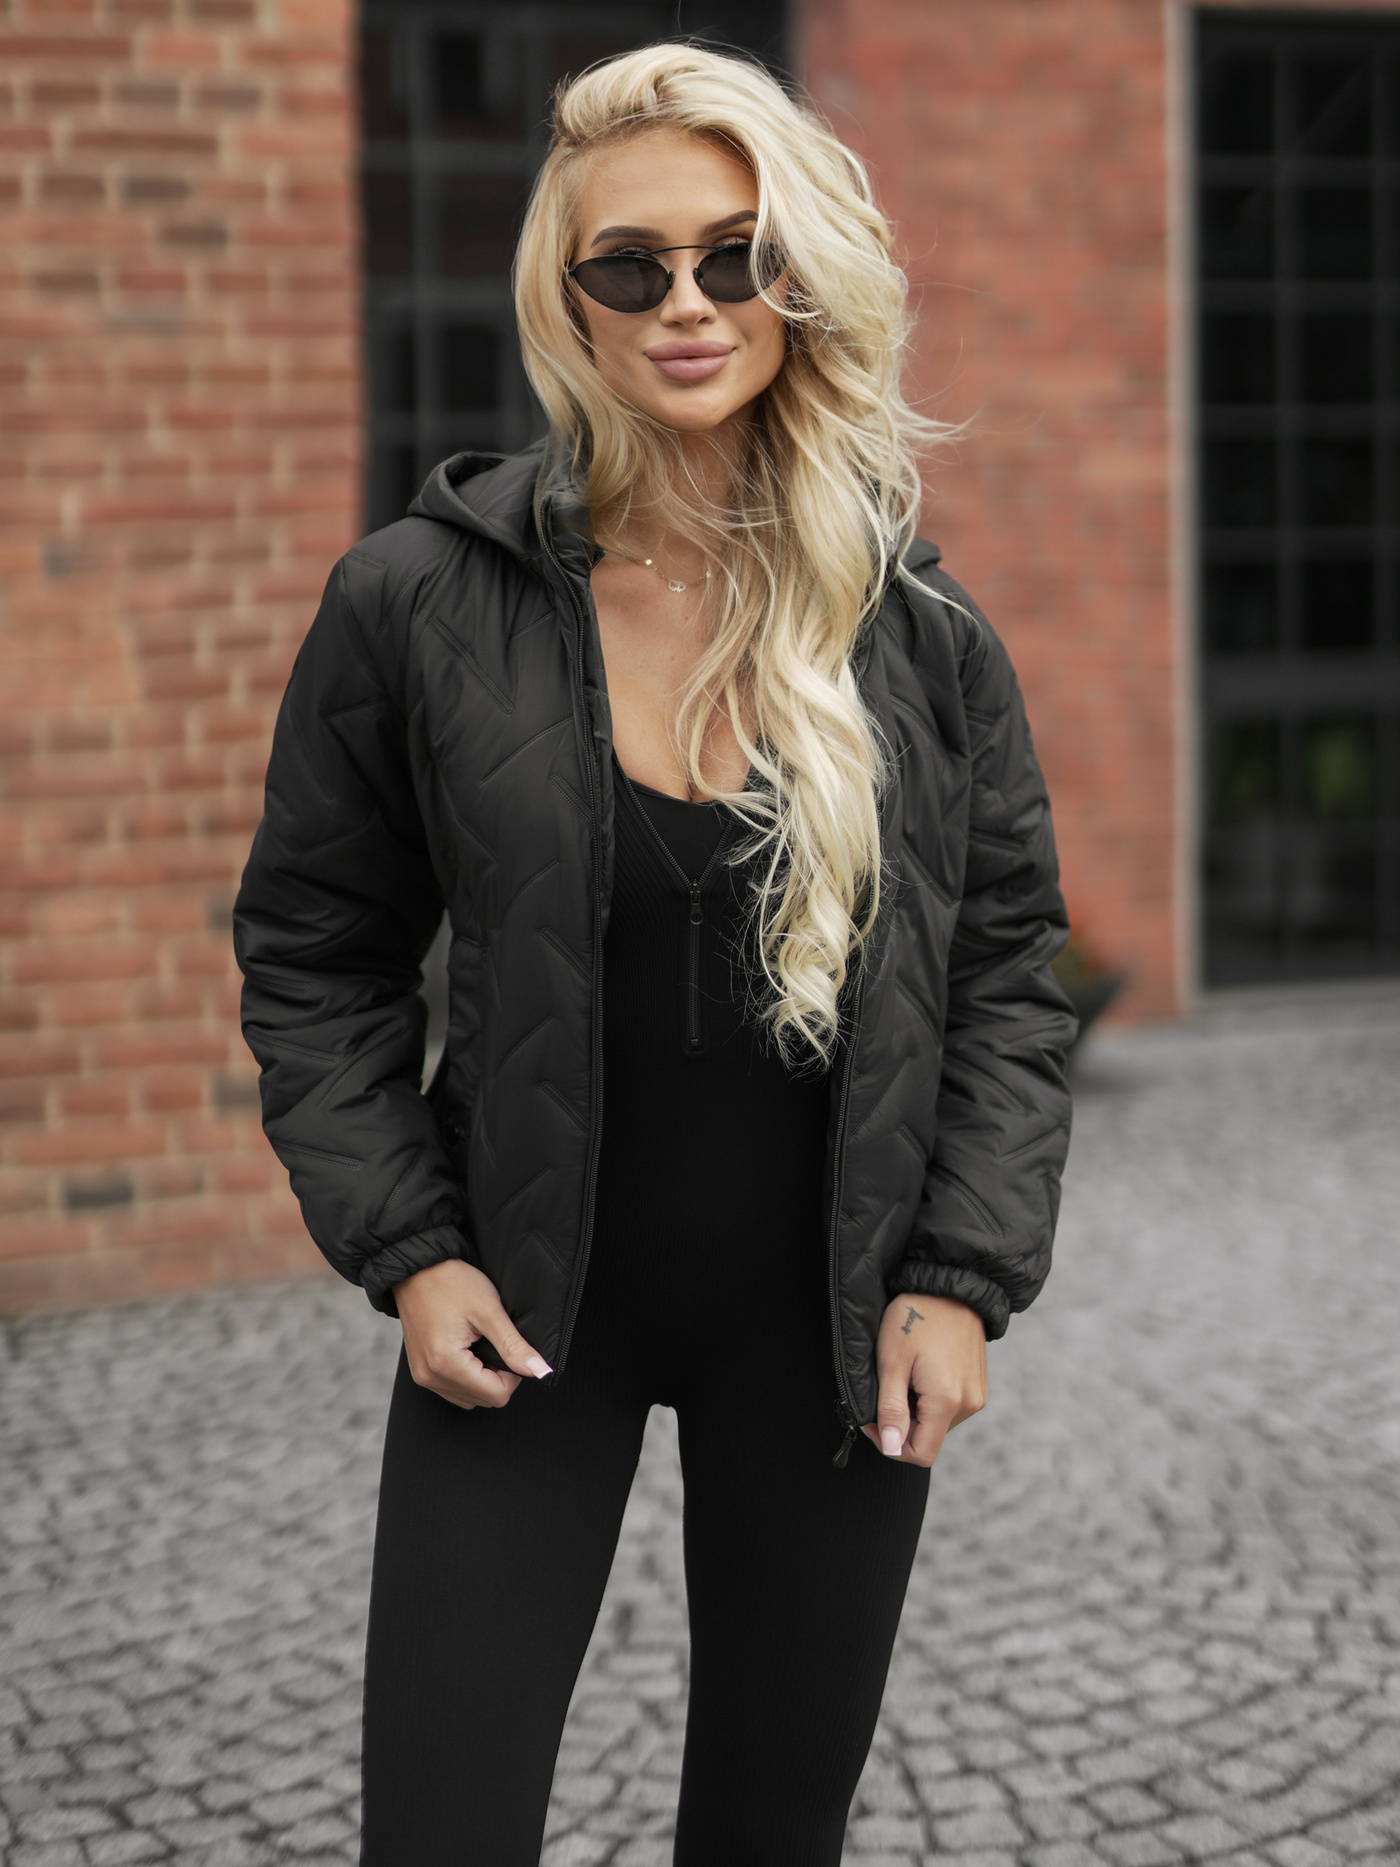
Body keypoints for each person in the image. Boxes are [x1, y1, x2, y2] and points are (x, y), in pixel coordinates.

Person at [234, 42, 1075, 1867]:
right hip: (528, 1310)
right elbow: (315, 949)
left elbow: (1009, 971)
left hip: (830, 1331)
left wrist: (960, 1274)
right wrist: (411, 1249)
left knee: (770, 1834)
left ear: (800, 278)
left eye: (735, 254)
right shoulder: (417, 600)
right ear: (571, 299)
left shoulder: (916, 631)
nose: (687, 302)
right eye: (631, 265)